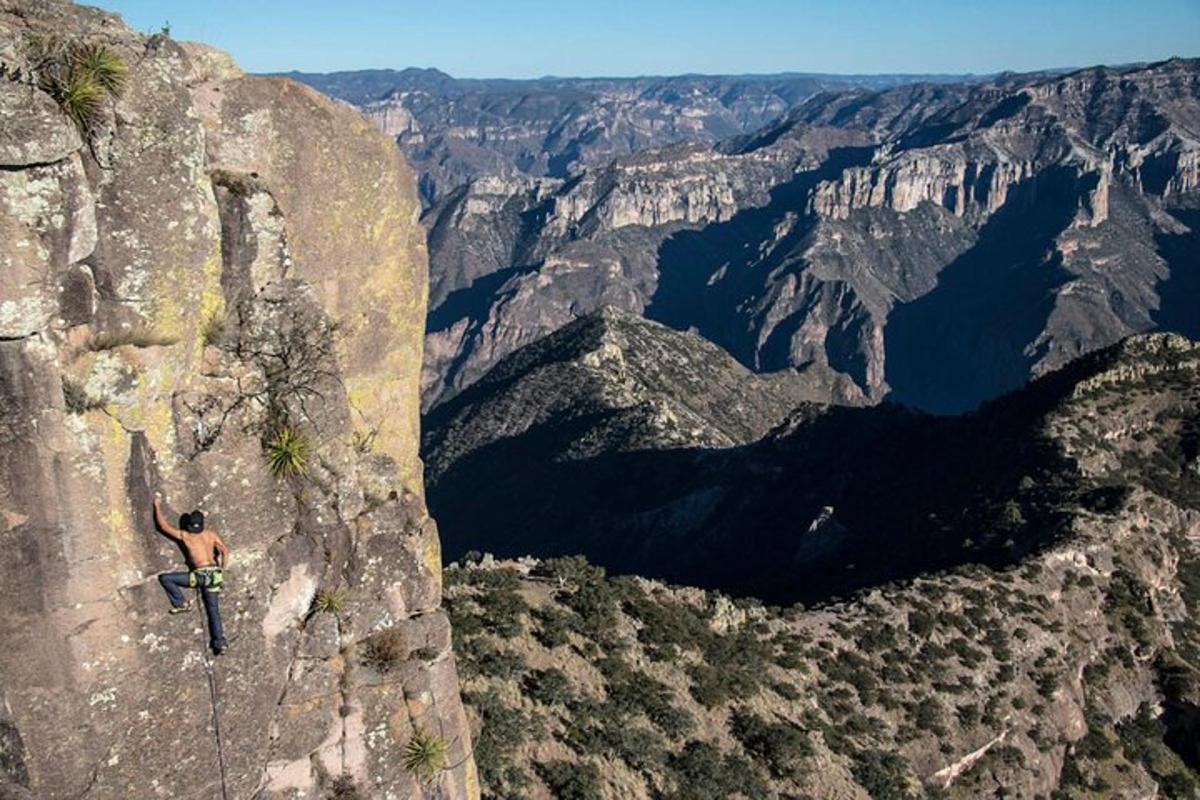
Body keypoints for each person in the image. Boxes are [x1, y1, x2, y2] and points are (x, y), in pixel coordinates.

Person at [153, 495, 230, 655]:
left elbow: (164, 526)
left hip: (200, 576)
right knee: (213, 611)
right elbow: (224, 550)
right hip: (214, 576)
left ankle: (181, 603)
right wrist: (222, 567)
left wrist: (157, 506)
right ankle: (220, 643)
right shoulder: (211, 534)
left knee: (166, 578)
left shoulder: (186, 536)